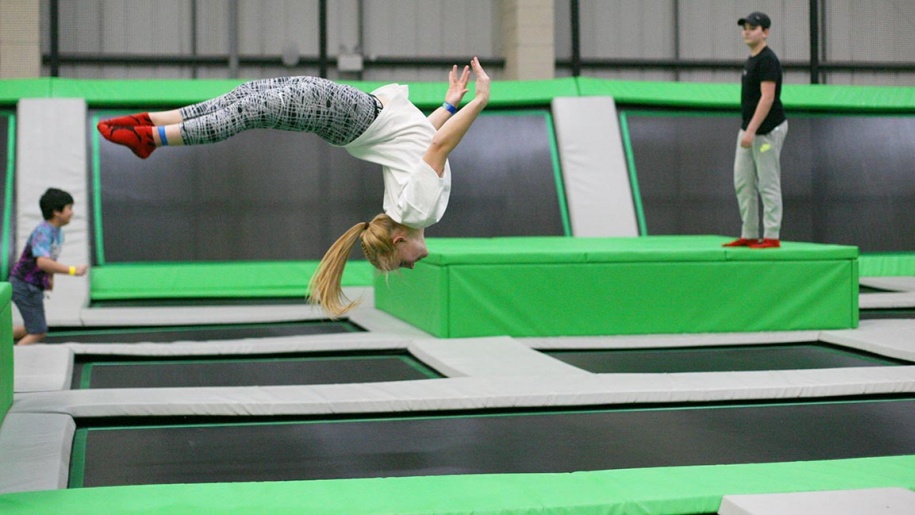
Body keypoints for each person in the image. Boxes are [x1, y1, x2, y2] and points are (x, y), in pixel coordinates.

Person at [97, 57, 491, 317]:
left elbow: (432, 144)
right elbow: (426, 139)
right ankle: (147, 125)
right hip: (348, 115)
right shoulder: (411, 211)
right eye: (404, 264)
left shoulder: (415, 211)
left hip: (348, 113)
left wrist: (475, 103)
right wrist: (459, 104)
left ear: (398, 239)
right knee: (245, 101)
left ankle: (150, 134)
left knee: (246, 107)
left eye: (400, 264)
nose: (411, 264)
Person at [723, 12, 788, 249]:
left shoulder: (768, 60)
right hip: (749, 130)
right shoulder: (751, 59)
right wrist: (747, 130)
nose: (747, 31)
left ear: (766, 32)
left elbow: (768, 98)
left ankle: (771, 236)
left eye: (753, 27)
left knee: (767, 181)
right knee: (743, 181)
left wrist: (751, 131)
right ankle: (749, 234)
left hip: (767, 132)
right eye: (745, 28)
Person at [10, 188, 89, 345]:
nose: (72, 213)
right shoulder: (43, 232)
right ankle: (14, 362)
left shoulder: (58, 232)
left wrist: (49, 278)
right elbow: (42, 262)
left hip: (31, 285)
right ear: (56, 212)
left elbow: (49, 259)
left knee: (31, 328)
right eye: (69, 208)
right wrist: (73, 270)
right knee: (38, 331)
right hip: (24, 285)